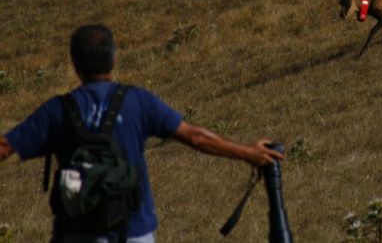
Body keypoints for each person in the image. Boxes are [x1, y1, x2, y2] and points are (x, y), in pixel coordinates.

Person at [0, 24, 283, 243]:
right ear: (114, 58)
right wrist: (249, 153)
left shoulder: (57, 111)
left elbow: (4, 147)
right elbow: (195, 136)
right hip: (133, 231)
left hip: (76, 235)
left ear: (74, 63)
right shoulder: (136, 101)